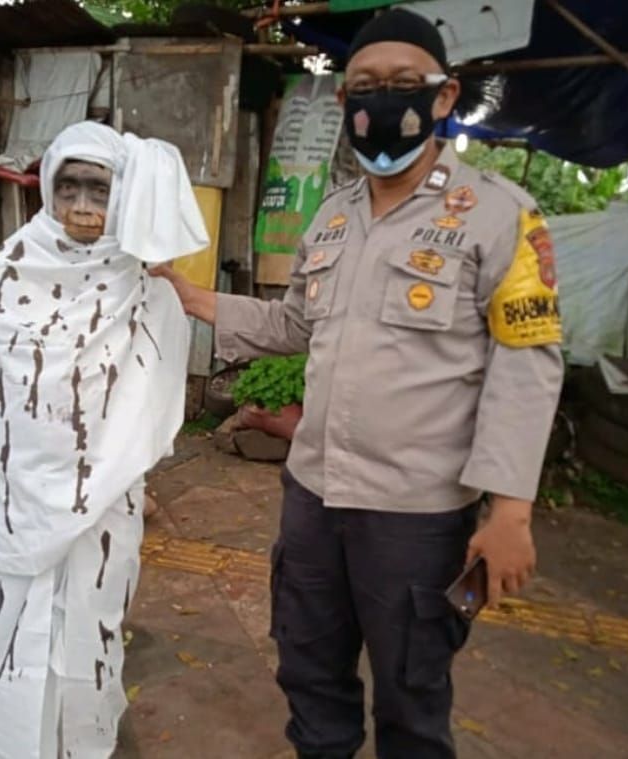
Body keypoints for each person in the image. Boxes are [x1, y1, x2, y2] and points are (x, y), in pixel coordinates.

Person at [154, 8, 563, 759]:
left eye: (404, 84)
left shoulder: (502, 215)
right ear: (344, 102)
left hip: (418, 518)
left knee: (413, 696)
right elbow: (294, 326)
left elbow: (526, 363)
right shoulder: (333, 217)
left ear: (444, 97)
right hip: (312, 503)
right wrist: (193, 298)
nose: (383, 99)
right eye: (365, 86)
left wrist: (510, 511)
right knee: (310, 676)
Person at [0, 121, 208, 758]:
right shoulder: (13, 267)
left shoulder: (142, 279)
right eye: (67, 188)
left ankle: (85, 738)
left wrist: (112, 460)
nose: (80, 206)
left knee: (94, 617)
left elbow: (149, 386)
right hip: (21, 494)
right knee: (20, 619)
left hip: (104, 495)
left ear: (121, 194)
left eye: (98, 191)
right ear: (48, 189)